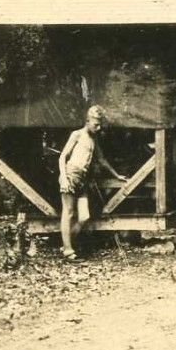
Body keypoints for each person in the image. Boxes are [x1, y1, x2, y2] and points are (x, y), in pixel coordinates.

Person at [58, 105, 124, 260]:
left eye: (100, 124)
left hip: (83, 179)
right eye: (96, 124)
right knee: (68, 212)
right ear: (87, 121)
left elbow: (101, 160)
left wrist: (116, 175)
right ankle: (68, 250)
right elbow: (62, 157)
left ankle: (66, 244)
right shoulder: (77, 134)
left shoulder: (94, 140)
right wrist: (64, 178)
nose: (99, 127)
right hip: (71, 174)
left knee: (84, 216)